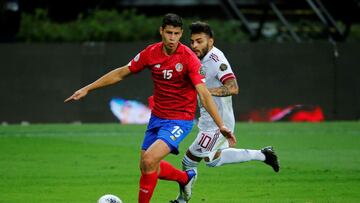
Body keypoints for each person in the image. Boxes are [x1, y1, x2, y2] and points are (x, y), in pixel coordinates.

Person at [64, 14, 236, 203]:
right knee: (147, 166)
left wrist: (221, 125)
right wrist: (87, 88)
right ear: (161, 31)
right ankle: (185, 178)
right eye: (169, 33)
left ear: (181, 34)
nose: (172, 38)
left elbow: (203, 93)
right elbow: (122, 72)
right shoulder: (151, 53)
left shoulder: (188, 58)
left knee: (149, 160)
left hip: (180, 119)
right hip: (157, 117)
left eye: (177, 34)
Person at [171, 21, 280, 203]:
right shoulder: (195, 57)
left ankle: (182, 200)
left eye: (200, 41)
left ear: (211, 42)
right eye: (192, 41)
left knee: (188, 161)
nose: (195, 45)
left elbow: (233, 87)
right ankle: (264, 154)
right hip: (207, 120)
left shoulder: (216, 60)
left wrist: (204, 91)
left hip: (218, 123)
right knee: (213, 160)